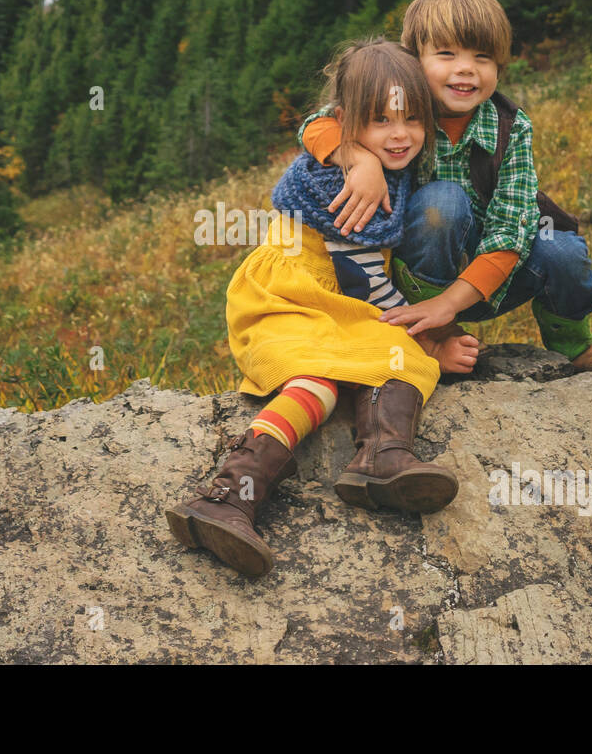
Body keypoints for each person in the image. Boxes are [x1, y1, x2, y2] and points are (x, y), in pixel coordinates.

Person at [165, 38, 471, 578]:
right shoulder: (345, 182)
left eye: (412, 120)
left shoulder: (371, 162)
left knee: (378, 360)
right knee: (328, 378)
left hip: (325, 299)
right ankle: (228, 495)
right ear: (347, 121)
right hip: (288, 298)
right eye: (380, 121)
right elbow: (364, 280)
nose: (399, 135)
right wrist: (429, 338)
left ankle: (380, 458)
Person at [296, 0, 592, 371]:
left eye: (483, 57)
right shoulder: (396, 108)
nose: (466, 68)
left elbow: (511, 231)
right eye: (446, 54)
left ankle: (575, 348)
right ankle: (434, 337)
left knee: (561, 249)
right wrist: (360, 160)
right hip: (414, 274)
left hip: (496, 272)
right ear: (413, 59)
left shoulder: (512, 127)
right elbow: (318, 123)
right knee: (443, 202)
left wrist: (451, 301)